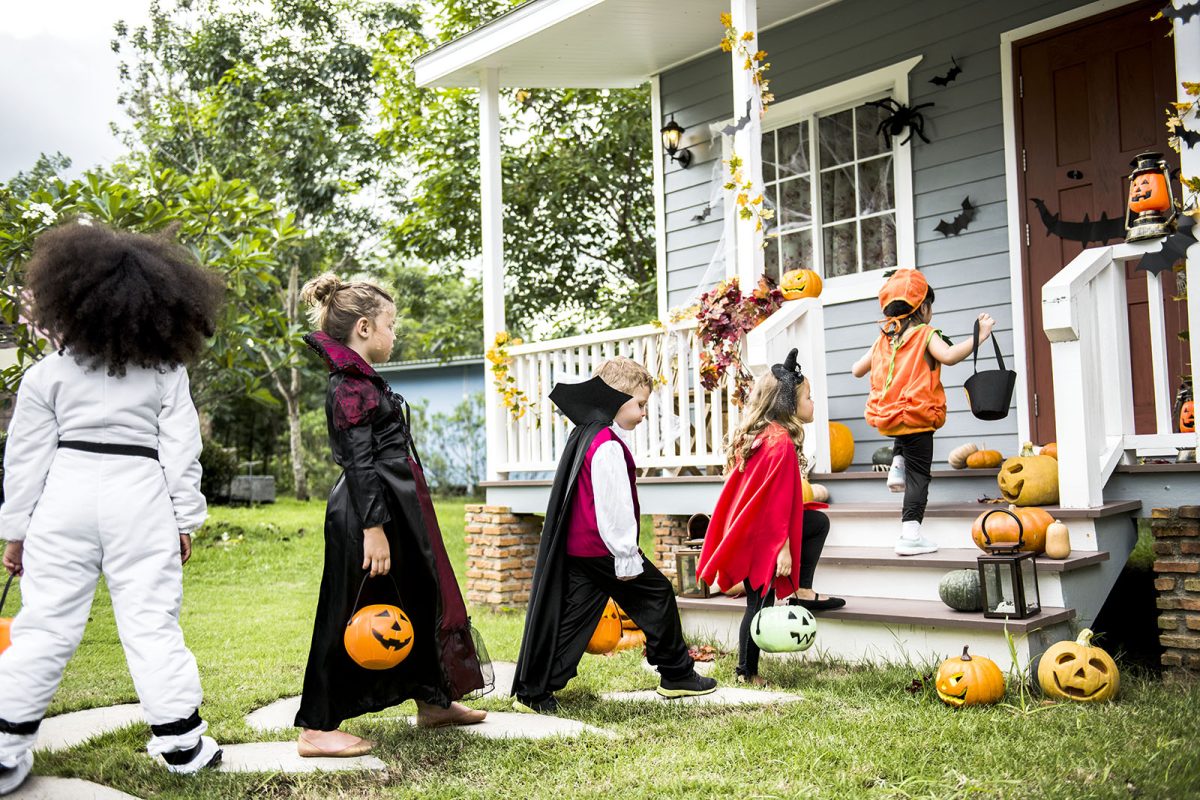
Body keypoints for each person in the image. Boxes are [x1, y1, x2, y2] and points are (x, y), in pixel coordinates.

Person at [0, 222, 226, 795]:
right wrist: (184, 520)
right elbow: (182, 453)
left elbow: (24, 461)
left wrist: (16, 532)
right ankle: (182, 745)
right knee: (151, 622)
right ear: (158, 301)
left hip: (63, 497)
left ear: (69, 299)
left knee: (45, 626)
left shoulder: (46, 374)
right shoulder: (166, 372)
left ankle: (3, 750)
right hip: (141, 497)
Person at [294, 273, 486, 758]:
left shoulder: (364, 380)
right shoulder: (349, 386)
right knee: (345, 609)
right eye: (390, 325)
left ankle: (433, 699)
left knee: (420, 598)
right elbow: (359, 463)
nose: (394, 334)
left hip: (399, 507)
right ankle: (316, 727)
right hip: (368, 512)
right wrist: (373, 529)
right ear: (364, 327)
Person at [511, 357, 717, 713]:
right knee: (658, 594)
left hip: (582, 549)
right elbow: (613, 507)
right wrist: (626, 556)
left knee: (575, 618)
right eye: (640, 404)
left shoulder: (589, 433)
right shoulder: (606, 444)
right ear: (617, 398)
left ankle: (535, 691)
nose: (644, 413)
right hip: (604, 548)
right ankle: (677, 674)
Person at [697, 349, 841, 685]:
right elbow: (774, 505)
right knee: (759, 602)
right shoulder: (780, 443)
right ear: (789, 404)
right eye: (808, 397)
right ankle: (746, 672)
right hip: (762, 537)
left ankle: (802, 589)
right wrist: (783, 550)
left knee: (816, 523)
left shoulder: (768, 435)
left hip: (759, 528)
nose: (812, 403)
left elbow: (776, 499)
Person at [851, 268, 995, 555]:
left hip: (888, 418)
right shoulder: (925, 334)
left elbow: (856, 370)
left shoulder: (884, 339)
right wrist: (979, 336)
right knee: (919, 477)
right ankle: (910, 536)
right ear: (924, 308)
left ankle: (897, 465)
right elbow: (950, 356)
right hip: (916, 418)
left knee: (903, 429)